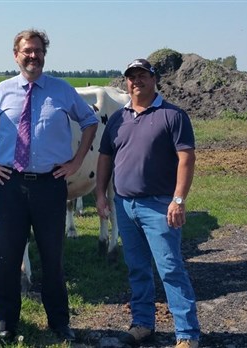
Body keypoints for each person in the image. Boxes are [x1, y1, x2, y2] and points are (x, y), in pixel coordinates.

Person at [0, 28, 98, 343]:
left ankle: (59, 322)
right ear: (16, 55)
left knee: (52, 257)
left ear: (44, 54)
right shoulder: (2, 91)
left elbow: (90, 122)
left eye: (38, 51)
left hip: (50, 186)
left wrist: (76, 162)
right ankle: (7, 323)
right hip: (11, 185)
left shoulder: (62, 90)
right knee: (8, 258)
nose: (33, 56)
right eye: (27, 51)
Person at [95, 58, 200, 348]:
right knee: (137, 267)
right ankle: (142, 324)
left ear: (154, 79)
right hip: (125, 205)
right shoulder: (118, 118)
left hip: (159, 206)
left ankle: (187, 334)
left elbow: (186, 158)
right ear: (125, 82)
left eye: (142, 75)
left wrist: (178, 199)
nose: (136, 81)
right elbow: (105, 157)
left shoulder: (173, 115)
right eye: (131, 77)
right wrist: (101, 193)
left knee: (170, 268)